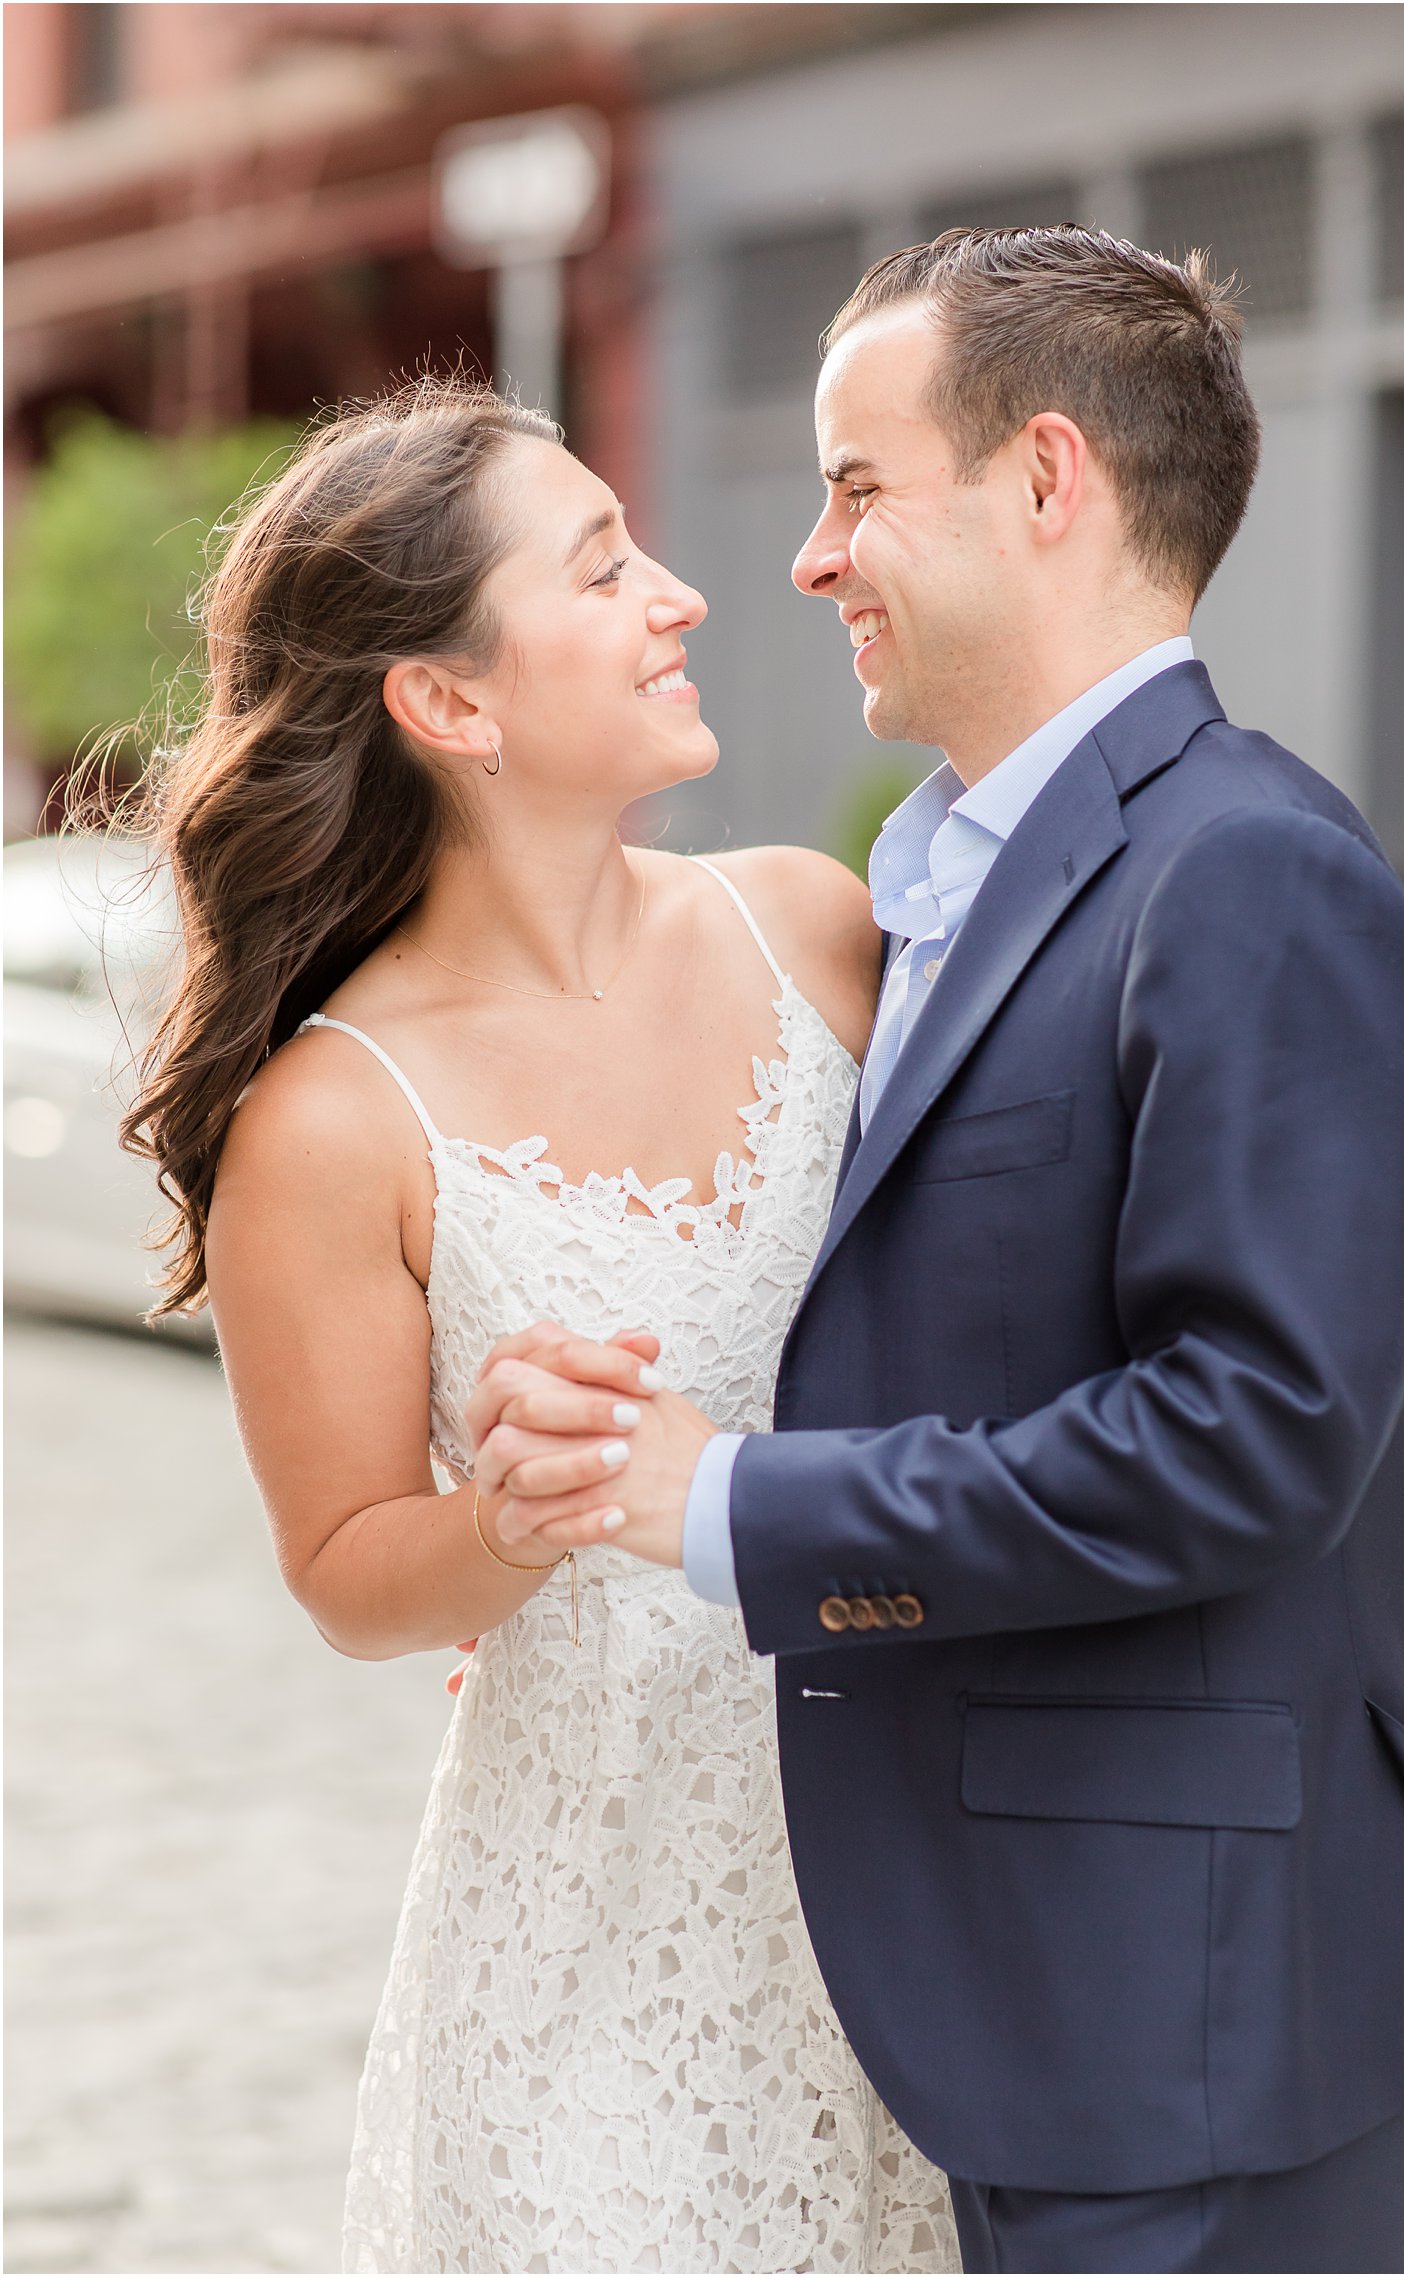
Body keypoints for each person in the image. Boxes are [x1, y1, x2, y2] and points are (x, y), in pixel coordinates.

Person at [468, 228, 1404, 2275]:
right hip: (1007, 1989)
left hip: (1184, 2004)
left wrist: (735, 1502)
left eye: (857, 485)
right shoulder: (950, 878)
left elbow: (1252, 1431)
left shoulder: (1250, 873)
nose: (808, 555)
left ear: (1047, 481)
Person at [123, 376, 957, 2274]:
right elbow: (347, 1571)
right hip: (584, 1962)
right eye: (602, 568)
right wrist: (505, 1524)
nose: (680, 593)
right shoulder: (334, 1118)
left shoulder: (814, 928)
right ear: (452, 701)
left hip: (914, 1909)